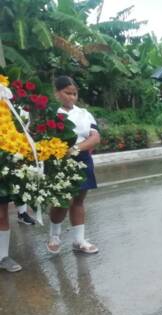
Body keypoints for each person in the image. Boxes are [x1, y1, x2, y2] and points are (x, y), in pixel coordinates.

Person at [47, 76, 101, 255]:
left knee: (78, 200)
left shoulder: (84, 113)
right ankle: (54, 235)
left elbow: (95, 137)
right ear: (57, 93)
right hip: (59, 160)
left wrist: (75, 148)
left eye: (74, 94)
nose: (71, 97)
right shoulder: (52, 114)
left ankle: (79, 241)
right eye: (67, 93)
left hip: (82, 158)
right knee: (63, 201)